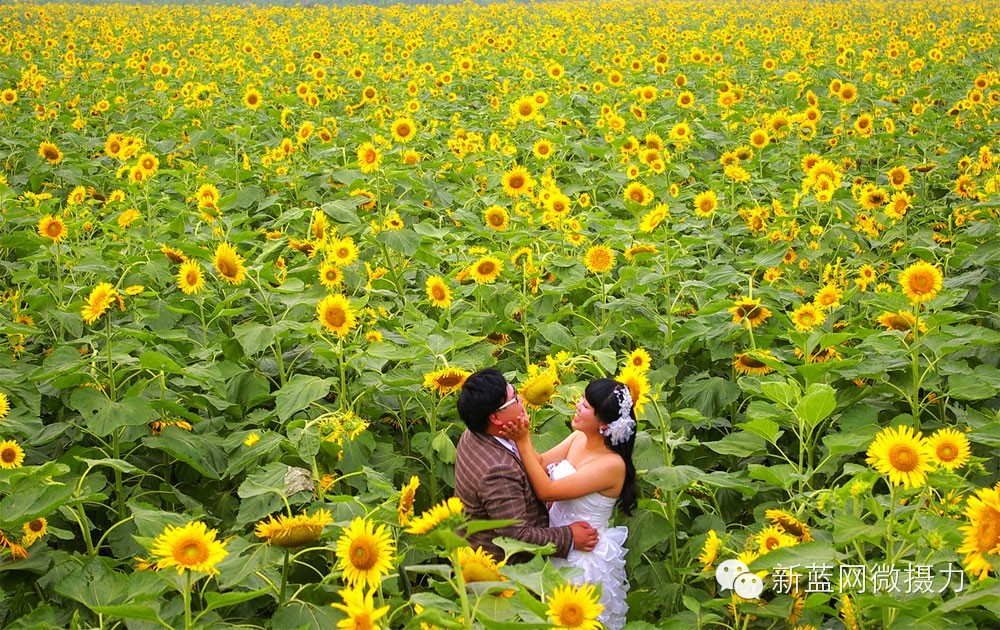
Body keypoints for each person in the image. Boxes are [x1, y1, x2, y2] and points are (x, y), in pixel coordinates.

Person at [499, 377, 637, 629]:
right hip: (555, 539)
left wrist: (522, 439)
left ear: (604, 424)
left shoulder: (611, 465)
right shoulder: (578, 438)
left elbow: (547, 490)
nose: (578, 404)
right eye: (583, 398)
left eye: (586, 405)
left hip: (582, 556)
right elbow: (539, 463)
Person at [454, 368, 599, 564]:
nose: (521, 401)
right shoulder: (497, 470)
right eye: (514, 398)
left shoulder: (475, 434)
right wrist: (570, 537)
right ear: (495, 418)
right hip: (502, 570)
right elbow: (516, 535)